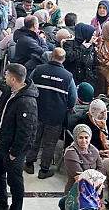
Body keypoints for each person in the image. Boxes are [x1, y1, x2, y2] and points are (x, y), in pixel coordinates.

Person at [0, 64, 38, 210]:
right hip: (4, 142)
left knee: (14, 181)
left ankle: (16, 209)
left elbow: (26, 131)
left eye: (7, 75)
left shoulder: (27, 102)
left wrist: (14, 152)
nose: (4, 77)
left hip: (15, 149)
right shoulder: (12, 90)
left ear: (14, 79)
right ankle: (1, 204)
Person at [26, 48, 77, 179]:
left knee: (34, 137)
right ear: (63, 59)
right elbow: (72, 99)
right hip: (56, 115)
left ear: (51, 57)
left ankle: (29, 164)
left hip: (37, 110)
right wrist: (68, 107)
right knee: (50, 142)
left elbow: (28, 85)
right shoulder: (68, 76)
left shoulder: (39, 70)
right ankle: (44, 170)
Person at [63, 125, 105, 193]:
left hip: (94, 191)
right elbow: (80, 176)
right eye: (80, 138)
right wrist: (98, 178)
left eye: (86, 137)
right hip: (77, 192)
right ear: (75, 138)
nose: (84, 141)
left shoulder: (93, 149)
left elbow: (102, 169)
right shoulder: (70, 152)